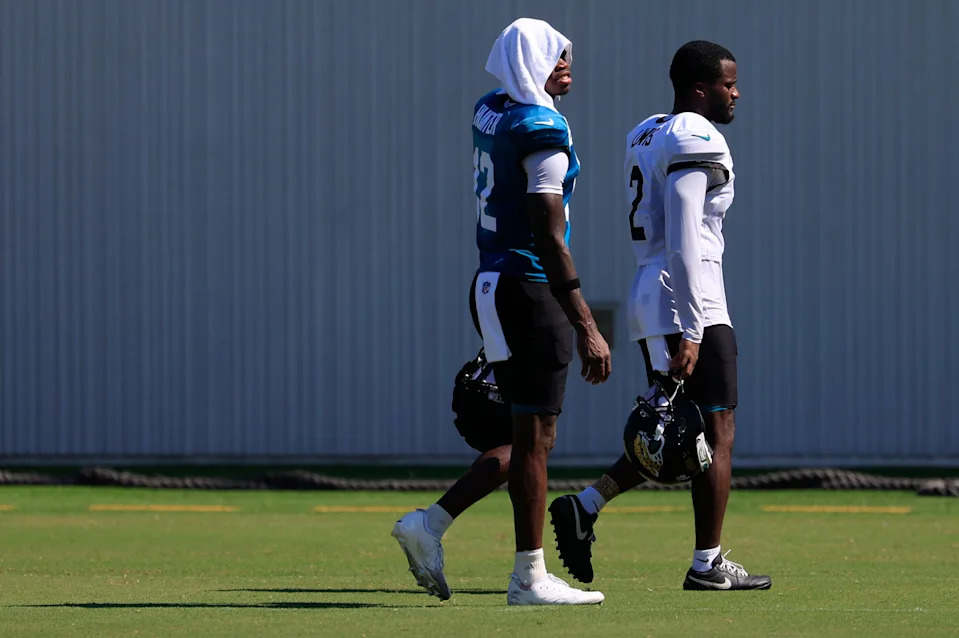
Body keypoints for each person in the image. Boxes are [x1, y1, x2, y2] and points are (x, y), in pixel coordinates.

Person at [394, 18, 612, 606]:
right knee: (538, 436)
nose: (568, 65)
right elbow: (548, 232)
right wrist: (586, 324)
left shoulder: (492, 107)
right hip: (528, 288)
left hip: (489, 280)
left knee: (524, 439)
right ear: (532, 60)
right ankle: (529, 578)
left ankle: (430, 526)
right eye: (557, 56)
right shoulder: (542, 127)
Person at [549, 40, 772, 591]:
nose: (736, 92)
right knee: (716, 430)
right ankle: (708, 564)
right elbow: (683, 233)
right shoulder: (696, 135)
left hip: (654, 291)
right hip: (688, 295)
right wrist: (695, 326)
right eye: (728, 83)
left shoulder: (648, 129)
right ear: (700, 89)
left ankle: (588, 504)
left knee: (676, 431)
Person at [391, 350, 512, 601]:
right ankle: (431, 523)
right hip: (525, 350)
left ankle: (531, 569)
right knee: (532, 443)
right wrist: (586, 328)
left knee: (532, 450)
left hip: (510, 350)